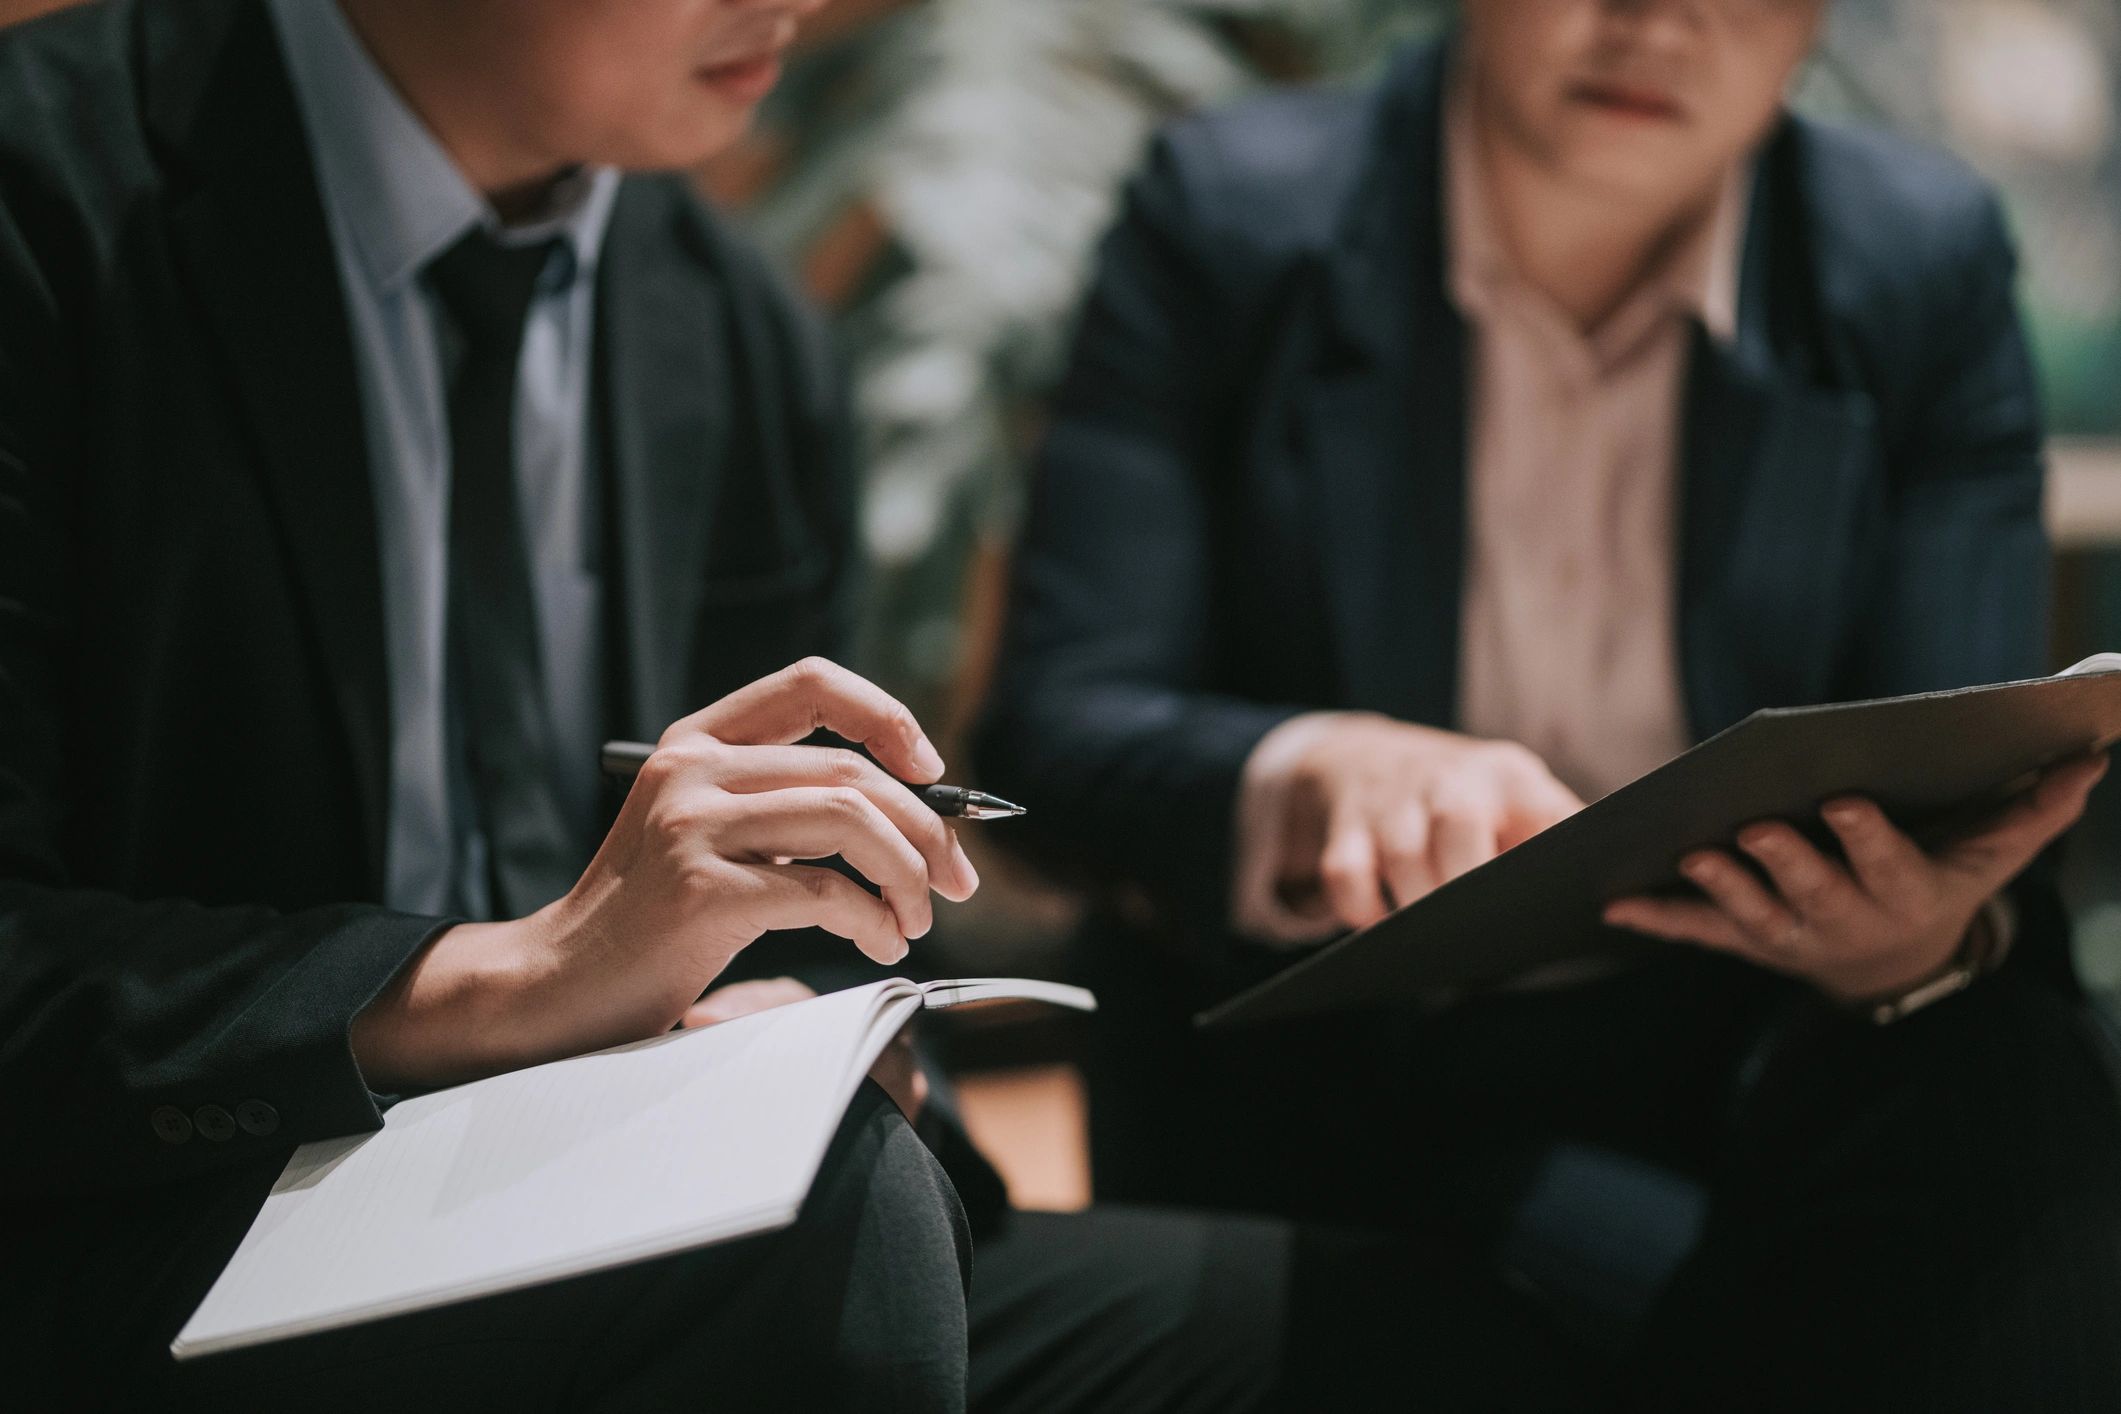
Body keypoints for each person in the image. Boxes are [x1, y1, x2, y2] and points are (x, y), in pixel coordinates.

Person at [0, 1, 1420, 1408]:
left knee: (1377, 1333)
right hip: (142, 1223)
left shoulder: (731, 316)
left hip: (565, 1200)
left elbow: (785, 902)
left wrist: (804, 1020)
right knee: (829, 1238)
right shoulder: (46, 195)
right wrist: (515, 981)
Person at [974, 0, 2121, 1407]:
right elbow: (1052, 728)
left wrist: (1907, 936)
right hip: (1336, 1054)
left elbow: (1955, 741)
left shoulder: (1910, 254)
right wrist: (1308, 765)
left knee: (2021, 1134)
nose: (1655, 21)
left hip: (1747, 1035)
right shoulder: (1231, 213)